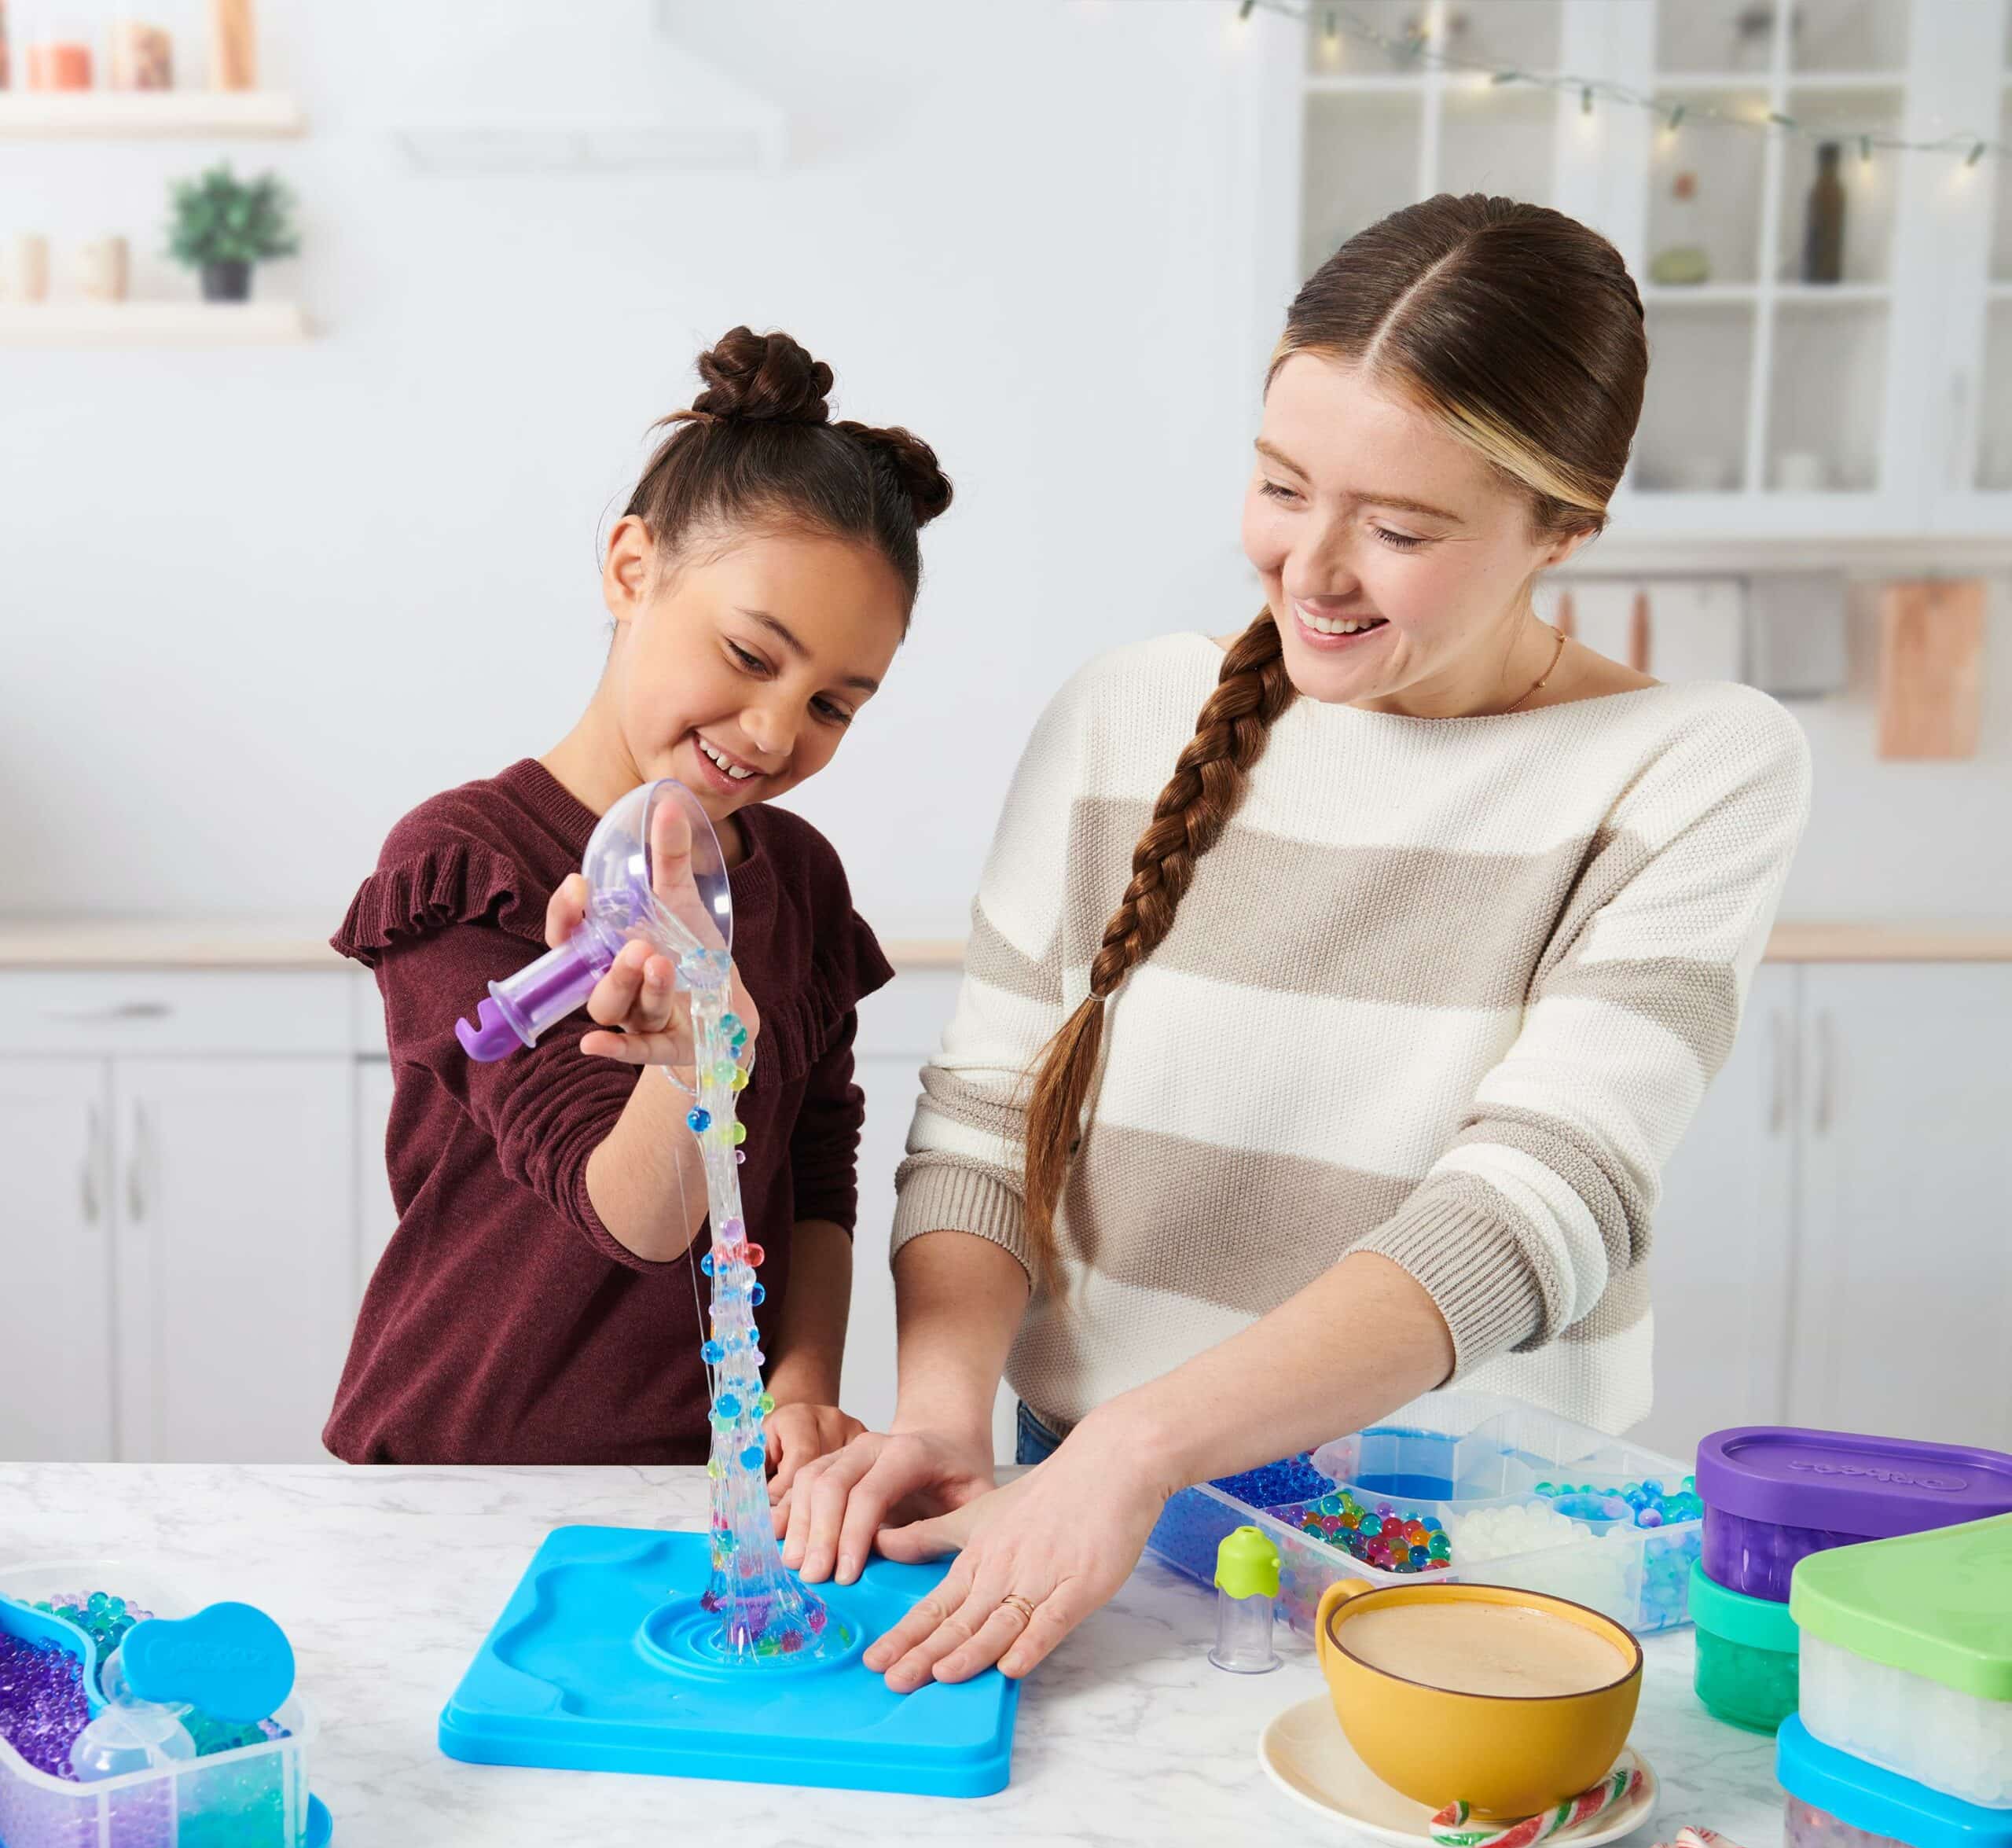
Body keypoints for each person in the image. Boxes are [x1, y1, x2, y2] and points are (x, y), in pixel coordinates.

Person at [777, 195, 1812, 1692]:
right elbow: (985, 1126)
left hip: (1466, 1550)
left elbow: (1535, 1207)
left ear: (1566, 528)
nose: (1311, 569)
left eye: (1398, 530)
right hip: (1071, 1510)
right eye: (1279, 486)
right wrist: (941, 1418)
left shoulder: (1695, 763)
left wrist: (1138, 1449)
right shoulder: (1126, 716)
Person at [325, 328, 953, 1474]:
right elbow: (636, 1219)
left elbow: (817, 1174)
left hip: (706, 1478)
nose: (775, 733)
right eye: (752, 657)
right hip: (459, 1473)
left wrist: (802, 1390)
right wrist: (703, 1049)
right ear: (631, 570)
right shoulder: (467, 865)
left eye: (833, 705)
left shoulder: (801, 884)